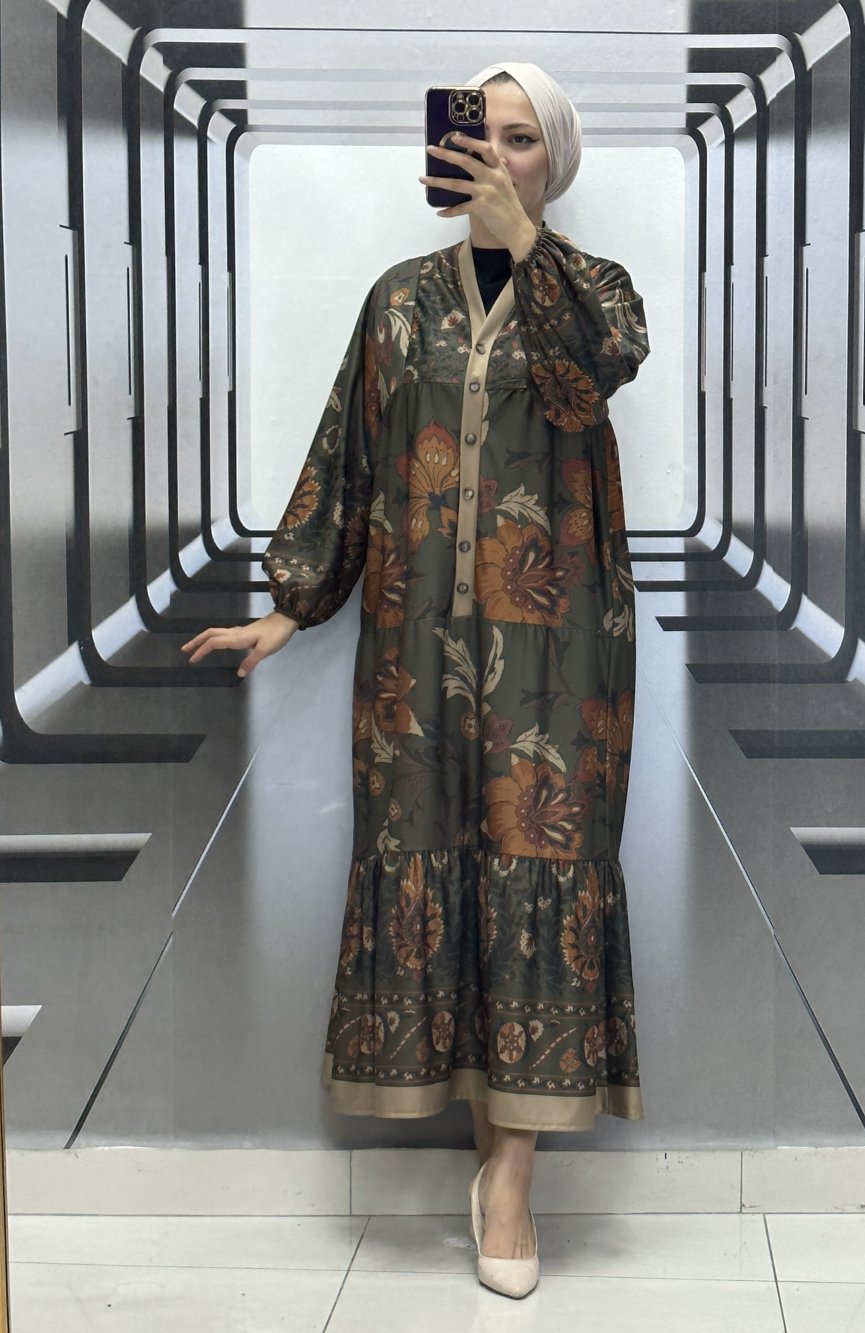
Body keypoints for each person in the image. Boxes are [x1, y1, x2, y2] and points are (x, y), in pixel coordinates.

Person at [181, 60, 650, 1299]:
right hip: (415, 652)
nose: (497, 156)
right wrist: (289, 607)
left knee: (538, 858)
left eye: (522, 139)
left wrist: (524, 244)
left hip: (561, 653)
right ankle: (476, 1149)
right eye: (479, 135)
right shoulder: (397, 301)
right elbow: (349, 452)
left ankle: (511, 1182)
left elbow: (596, 369)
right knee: (436, 853)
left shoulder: (595, 291)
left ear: (554, 161)